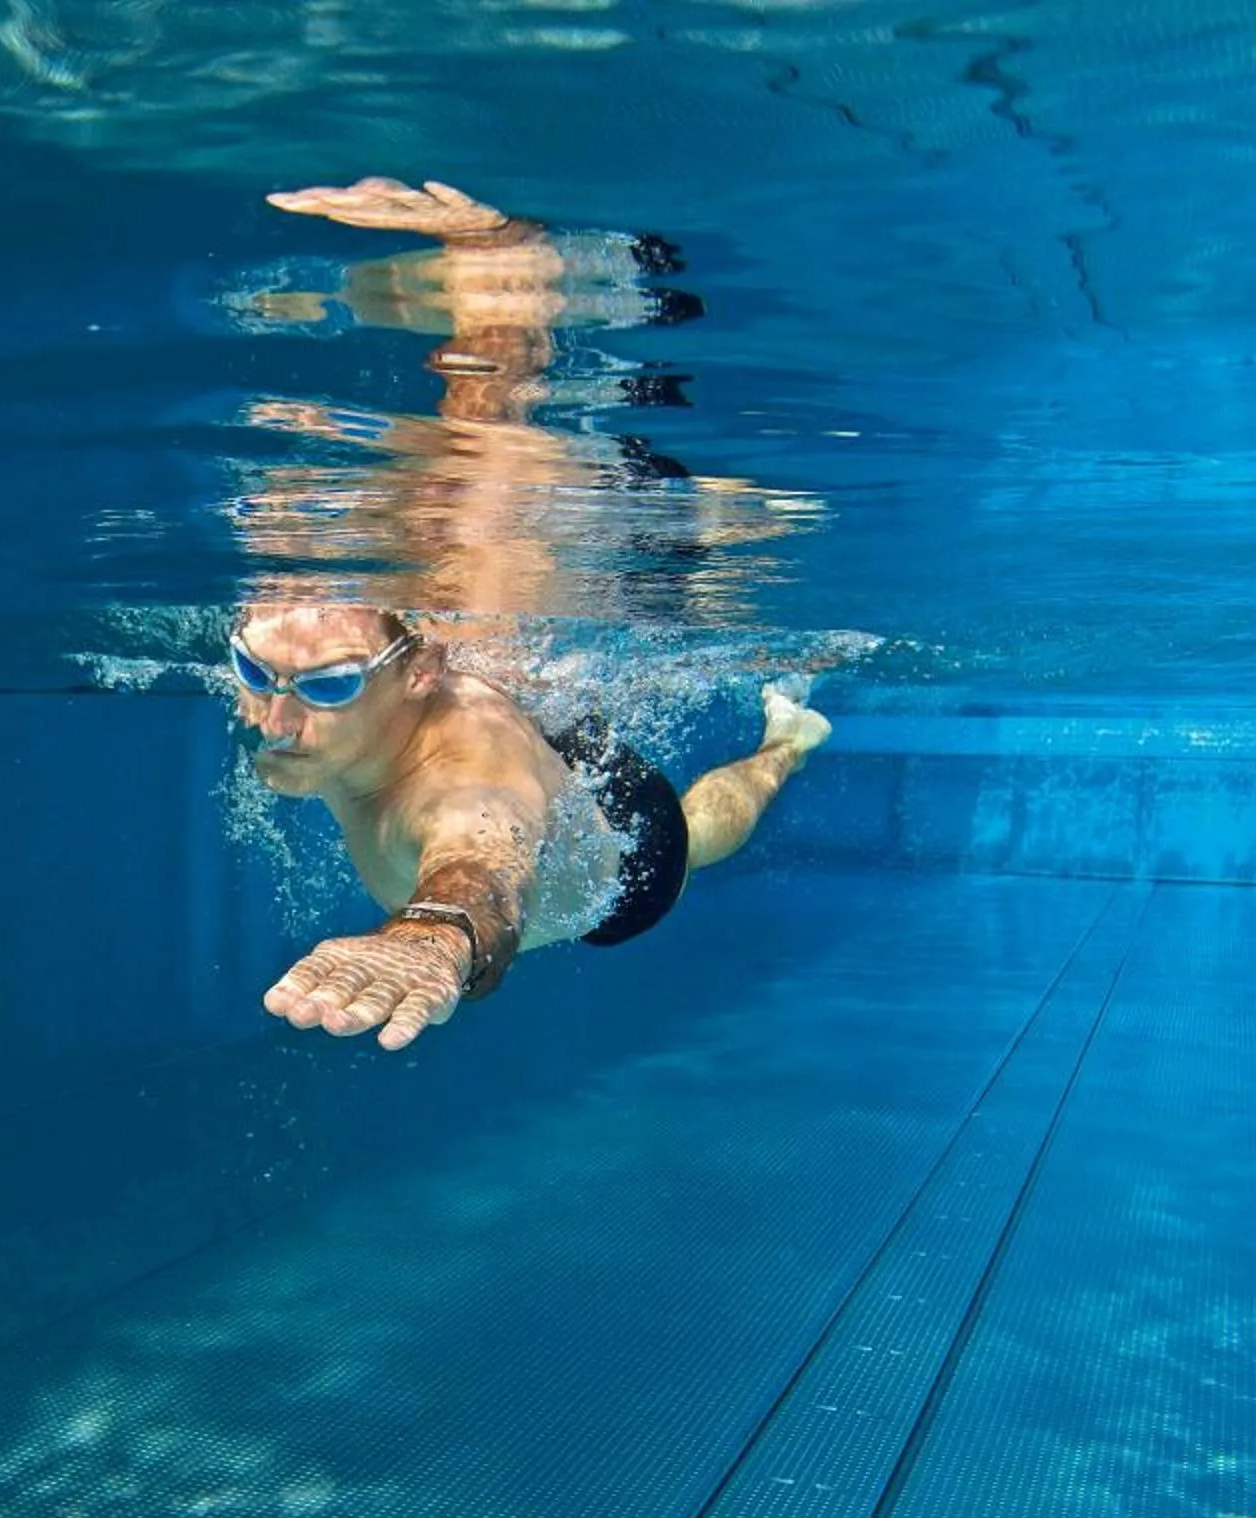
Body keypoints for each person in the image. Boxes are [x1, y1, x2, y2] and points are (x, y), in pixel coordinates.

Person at [231, 177, 837, 1051]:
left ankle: (785, 744)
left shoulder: (459, 779)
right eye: (254, 670)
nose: (274, 713)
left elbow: (481, 854)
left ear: (422, 668)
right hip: (541, 743)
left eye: (325, 685)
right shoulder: (354, 698)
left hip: (623, 860)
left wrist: (434, 935)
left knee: (699, 834)